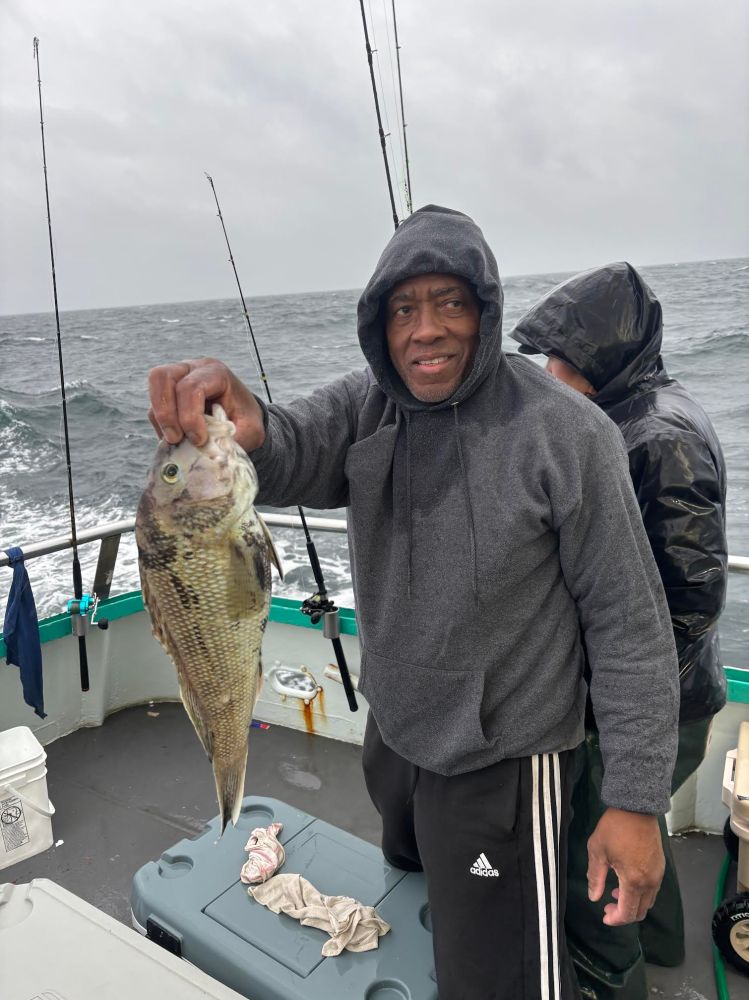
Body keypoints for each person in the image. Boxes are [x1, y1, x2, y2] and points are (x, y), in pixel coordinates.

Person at [147, 206, 680, 1000]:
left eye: (450, 303)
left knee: (501, 978)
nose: (424, 330)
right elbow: (290, 444)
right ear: (378, 322)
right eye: (403, 308)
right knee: (412, 876)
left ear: (487, 311)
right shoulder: (368, 407)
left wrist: (634, 801)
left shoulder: (566, 434)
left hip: (503, 763)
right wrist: (242, 422)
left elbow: (630, 627)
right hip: (394, 732)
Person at [512, 261, 727, 999]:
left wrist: (615, 704)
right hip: (680, 696)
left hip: (653, 705)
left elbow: (691, 596)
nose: (549, 371)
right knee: (642, 831)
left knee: (593, 863)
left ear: (602, 358)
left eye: (564, 359)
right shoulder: (642, 408)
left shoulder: (655, 435)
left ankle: (610, 984)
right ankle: (664, 951)